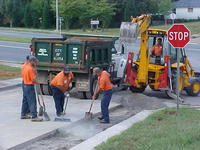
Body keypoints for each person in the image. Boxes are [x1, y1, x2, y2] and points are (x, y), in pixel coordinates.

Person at [21, 56, 43, 122]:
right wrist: (37, 81)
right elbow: (33, 79)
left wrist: (34, 68)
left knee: (25, 100)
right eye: (35, 62)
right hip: (29, 86)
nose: (36, 63)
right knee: (32, 101)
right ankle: (34, 116)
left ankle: (23, 114)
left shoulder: (25, 66)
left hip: (24, 84)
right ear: (32, 61)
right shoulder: (30, 69)